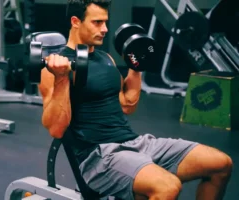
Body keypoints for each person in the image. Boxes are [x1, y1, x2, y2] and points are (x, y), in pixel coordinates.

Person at [38, 0, 233, 199]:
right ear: (76, 21)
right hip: (100, 157)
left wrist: (136, 66)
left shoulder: (107, 58)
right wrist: (62, 78)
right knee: (167, 187)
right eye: (97, 22)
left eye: (106, 22)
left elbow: (127, 105)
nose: (105, 29)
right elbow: (56, 129)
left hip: (136, 143)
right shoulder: (55, 67)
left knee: (221, 164)